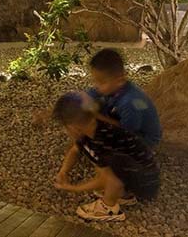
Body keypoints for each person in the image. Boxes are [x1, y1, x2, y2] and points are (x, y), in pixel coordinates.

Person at [52, 91, 159, 223]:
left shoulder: (103, 140)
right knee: (101, 162)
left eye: (65, 127)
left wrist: (73, 188)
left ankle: (109, 207)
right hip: (137, 173)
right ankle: (122, 194)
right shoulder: (89, 130)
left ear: (73, 126)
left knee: (109, 168)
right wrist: (64, 172)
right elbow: (75, 150)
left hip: (145, 183)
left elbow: (106, 179)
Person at [86, 49, 162, 147]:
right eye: (95, 81)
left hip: (144, 139)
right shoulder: (115, 87)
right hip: (129, 123)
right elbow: (90, 93)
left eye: (101, 82)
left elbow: (126, 131)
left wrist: (97, 116)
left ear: (120, 80)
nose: (96, 86)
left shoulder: (131, 102)